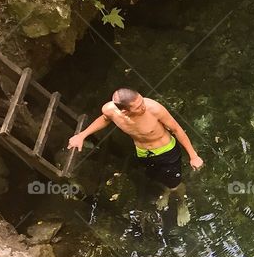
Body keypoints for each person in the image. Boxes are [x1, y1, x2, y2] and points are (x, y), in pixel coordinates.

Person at [68, 88, 204, 225]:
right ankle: (166, 191)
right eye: (138, 107)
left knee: (175, 183)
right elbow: (104, 119)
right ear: (124, 111)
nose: (143, 106)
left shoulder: (154, 109)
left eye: (142, 101)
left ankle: (181, 202)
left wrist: (193, 155)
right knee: (155, 176)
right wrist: (82, 135)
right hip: (143, 152)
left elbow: (176, 129)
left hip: (166, 152)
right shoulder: (110, 110)